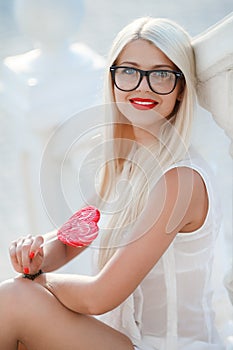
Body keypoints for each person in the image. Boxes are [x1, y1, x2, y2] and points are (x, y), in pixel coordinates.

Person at [0, 17, 224, 350]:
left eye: (162, 74)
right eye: (129, 71)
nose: (143, 86)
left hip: (171, 346)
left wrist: (37, 282)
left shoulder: (181, 179)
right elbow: (69, 240)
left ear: (180, 89)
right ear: (113, 80)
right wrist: (34, 255)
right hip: (124, 338)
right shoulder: (120, 166)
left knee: (14, 301)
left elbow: (99, 297)